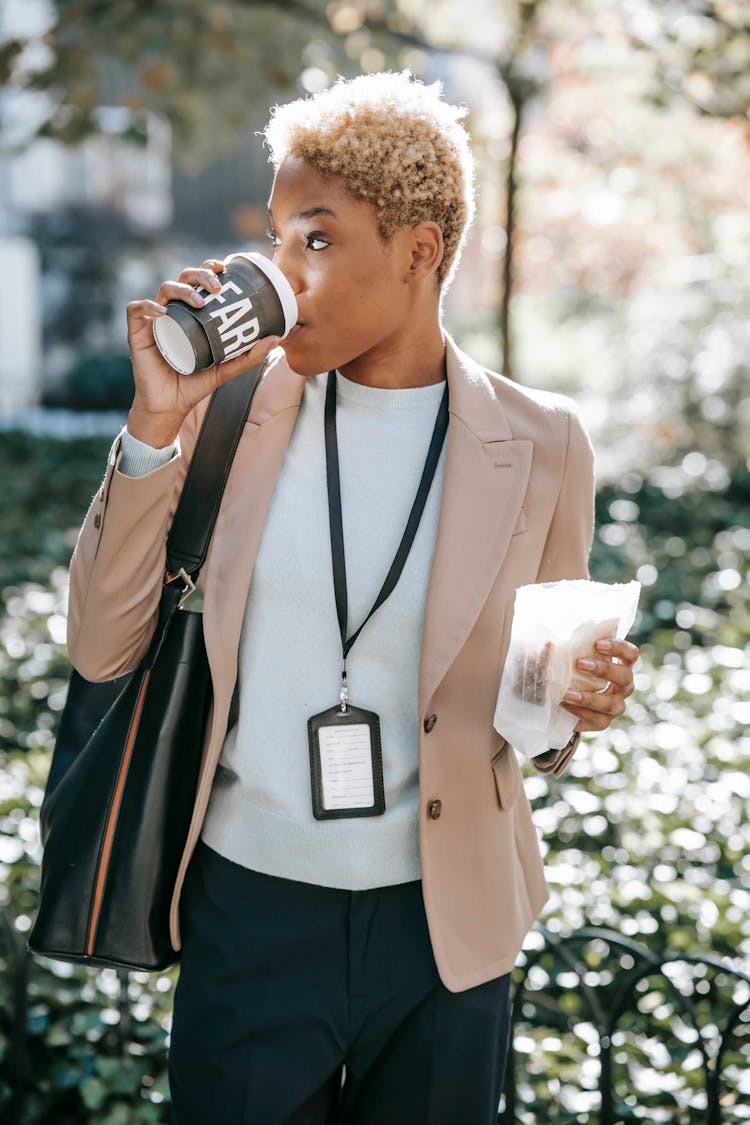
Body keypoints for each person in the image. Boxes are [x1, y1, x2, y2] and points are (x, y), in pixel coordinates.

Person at [67, 71, 638, 1125]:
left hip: (445, 933)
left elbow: (542, 710)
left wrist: (579, 705)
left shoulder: (544, 441)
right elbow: (103, 647)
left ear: (420, 249)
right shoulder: (225, 413)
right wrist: (154, 429)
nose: (287, 271)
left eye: (318, 240)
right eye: (280, 237)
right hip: (252, 914)